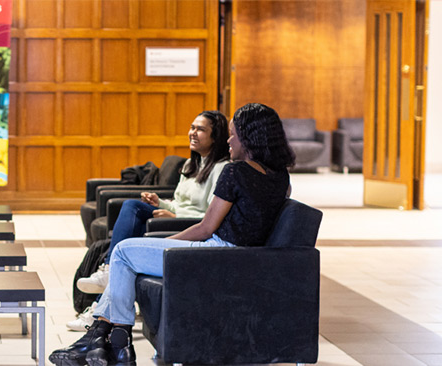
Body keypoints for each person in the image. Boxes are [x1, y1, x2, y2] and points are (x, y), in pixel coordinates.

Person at [49, 103, 295, 366]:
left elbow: (204, 228)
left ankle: (111, 344)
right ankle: (103, 344)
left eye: (233, 134)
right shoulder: (280, 177)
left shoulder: (235, 172)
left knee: (122, 252)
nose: (228, 140)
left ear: (250, 137)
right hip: (242, 261)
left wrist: (162, 243)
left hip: (215, 255)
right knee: (129, 257)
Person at [75, 111, 231, 295]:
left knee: (134, 230)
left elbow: (212, 216)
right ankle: (109, 275)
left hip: (190, 226)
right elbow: (178, 203)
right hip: (174, 219)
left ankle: (108, 282)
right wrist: (161, 204)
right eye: (192, 127)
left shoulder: (222, 169)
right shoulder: (191, 164)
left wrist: (174, 216)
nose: (193, 133)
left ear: (216, 137)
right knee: (132, 207)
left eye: (200, 129)